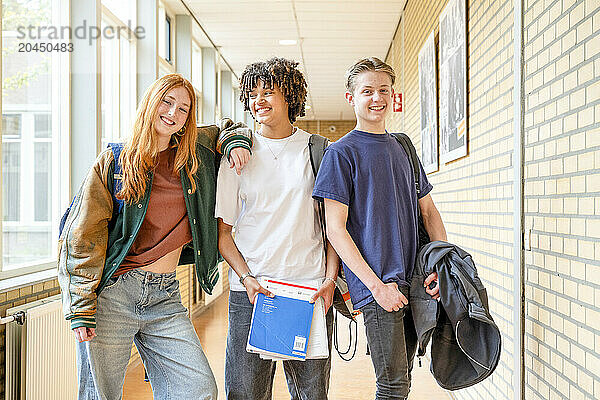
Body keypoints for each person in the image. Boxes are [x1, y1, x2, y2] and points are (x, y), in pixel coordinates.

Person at [58, 73, 252, 400]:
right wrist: (80, 306)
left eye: (184, 109)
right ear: (151, 102)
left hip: (165, 296)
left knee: (198, 389)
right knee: (99, 395)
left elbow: (229, 127)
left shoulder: (196, 154)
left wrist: (235, 142)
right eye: (167, 102)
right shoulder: (115, 161)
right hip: (114, 295)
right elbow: (81, 236)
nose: (174, 113)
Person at [312, 57, 448, 400]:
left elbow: (429, 211)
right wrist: (375, 287)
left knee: (401, 380)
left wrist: (438, 266)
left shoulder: (403, 146)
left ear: (393, 95)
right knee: (392, 384)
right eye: (367, 91)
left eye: (383, 90)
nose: (377, 98)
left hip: (414, 281)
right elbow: (335, 230)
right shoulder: (340, 154)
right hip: (377, 286)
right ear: (351, 97)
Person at [215, 57, 338, 400]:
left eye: (268, 91)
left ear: (291, 96)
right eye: (252, 94)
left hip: (308, 291)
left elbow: (332, 230)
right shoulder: (235, 154)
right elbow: (224, 235)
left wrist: (329, 281)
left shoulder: (318, 151)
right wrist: (246, 278)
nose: (259, 100)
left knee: (312, 395)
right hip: (253, 292)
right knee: (245, 394)